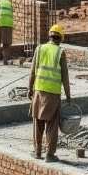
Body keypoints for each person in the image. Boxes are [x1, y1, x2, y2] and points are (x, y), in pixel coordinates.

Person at [28, 24, 71, 162]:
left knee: (38, 122)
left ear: (49, 36)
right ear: (60, 39)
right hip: (53, 93)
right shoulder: (60, 52)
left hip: (39, 91)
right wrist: (69, 96)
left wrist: (29, 88)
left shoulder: (39, 49)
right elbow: (65, 76)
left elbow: (32, 71)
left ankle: (37, 151)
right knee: (52, 125)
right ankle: (50, 155)